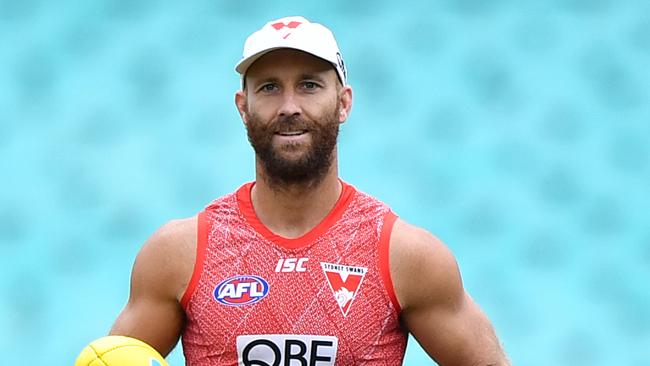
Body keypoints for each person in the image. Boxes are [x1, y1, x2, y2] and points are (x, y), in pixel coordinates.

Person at [109, 16, 510, 365]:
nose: (288, 106)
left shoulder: (405, 256)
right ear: (242, 106)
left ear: (343, 103)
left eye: (309, 85)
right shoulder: (180, 254)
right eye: (268, 87)